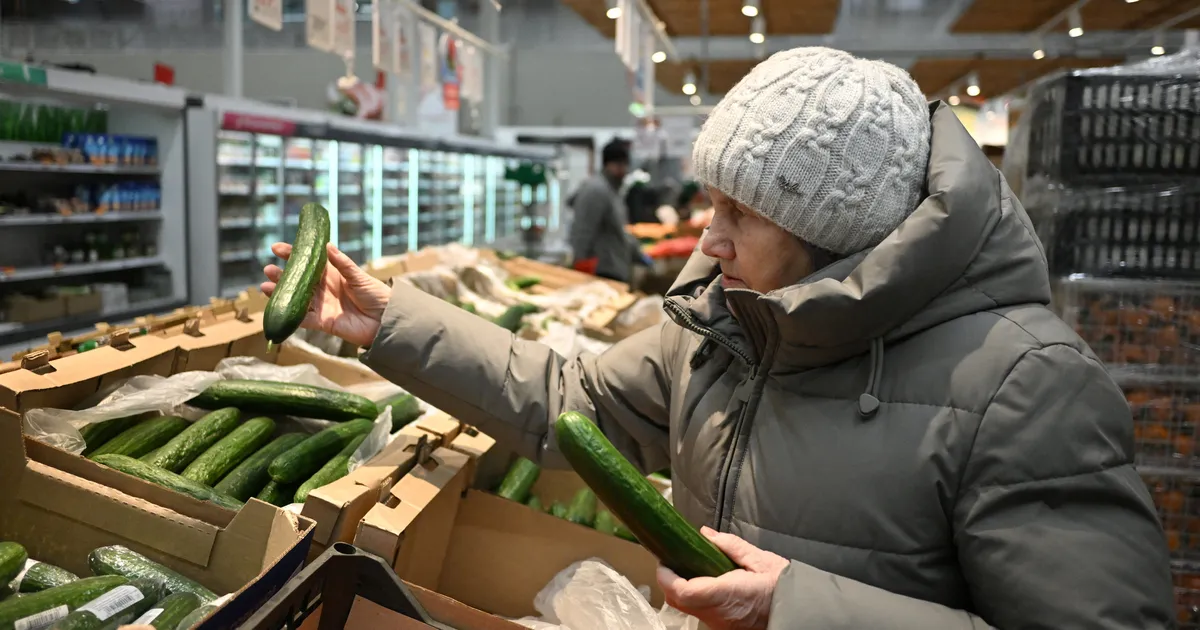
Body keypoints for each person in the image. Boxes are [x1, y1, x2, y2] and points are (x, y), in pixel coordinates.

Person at [263, 47, 1173, 629]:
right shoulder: (724, 326)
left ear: (837, 230)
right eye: (710, 201)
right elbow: (568, 406)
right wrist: (390, 323)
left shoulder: (1028, 385)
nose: (706, 237)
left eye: (740, 210)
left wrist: (797, 607)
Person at [567, 138, 640, 282]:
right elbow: (583, 231)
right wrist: (581, 266)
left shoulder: (612, 190)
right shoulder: (596, 190)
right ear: (608, 164)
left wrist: (636, 251)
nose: (623, 171)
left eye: (625, 165)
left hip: (614, 268)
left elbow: (619, 230)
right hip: (601, 271)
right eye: (619, 165)